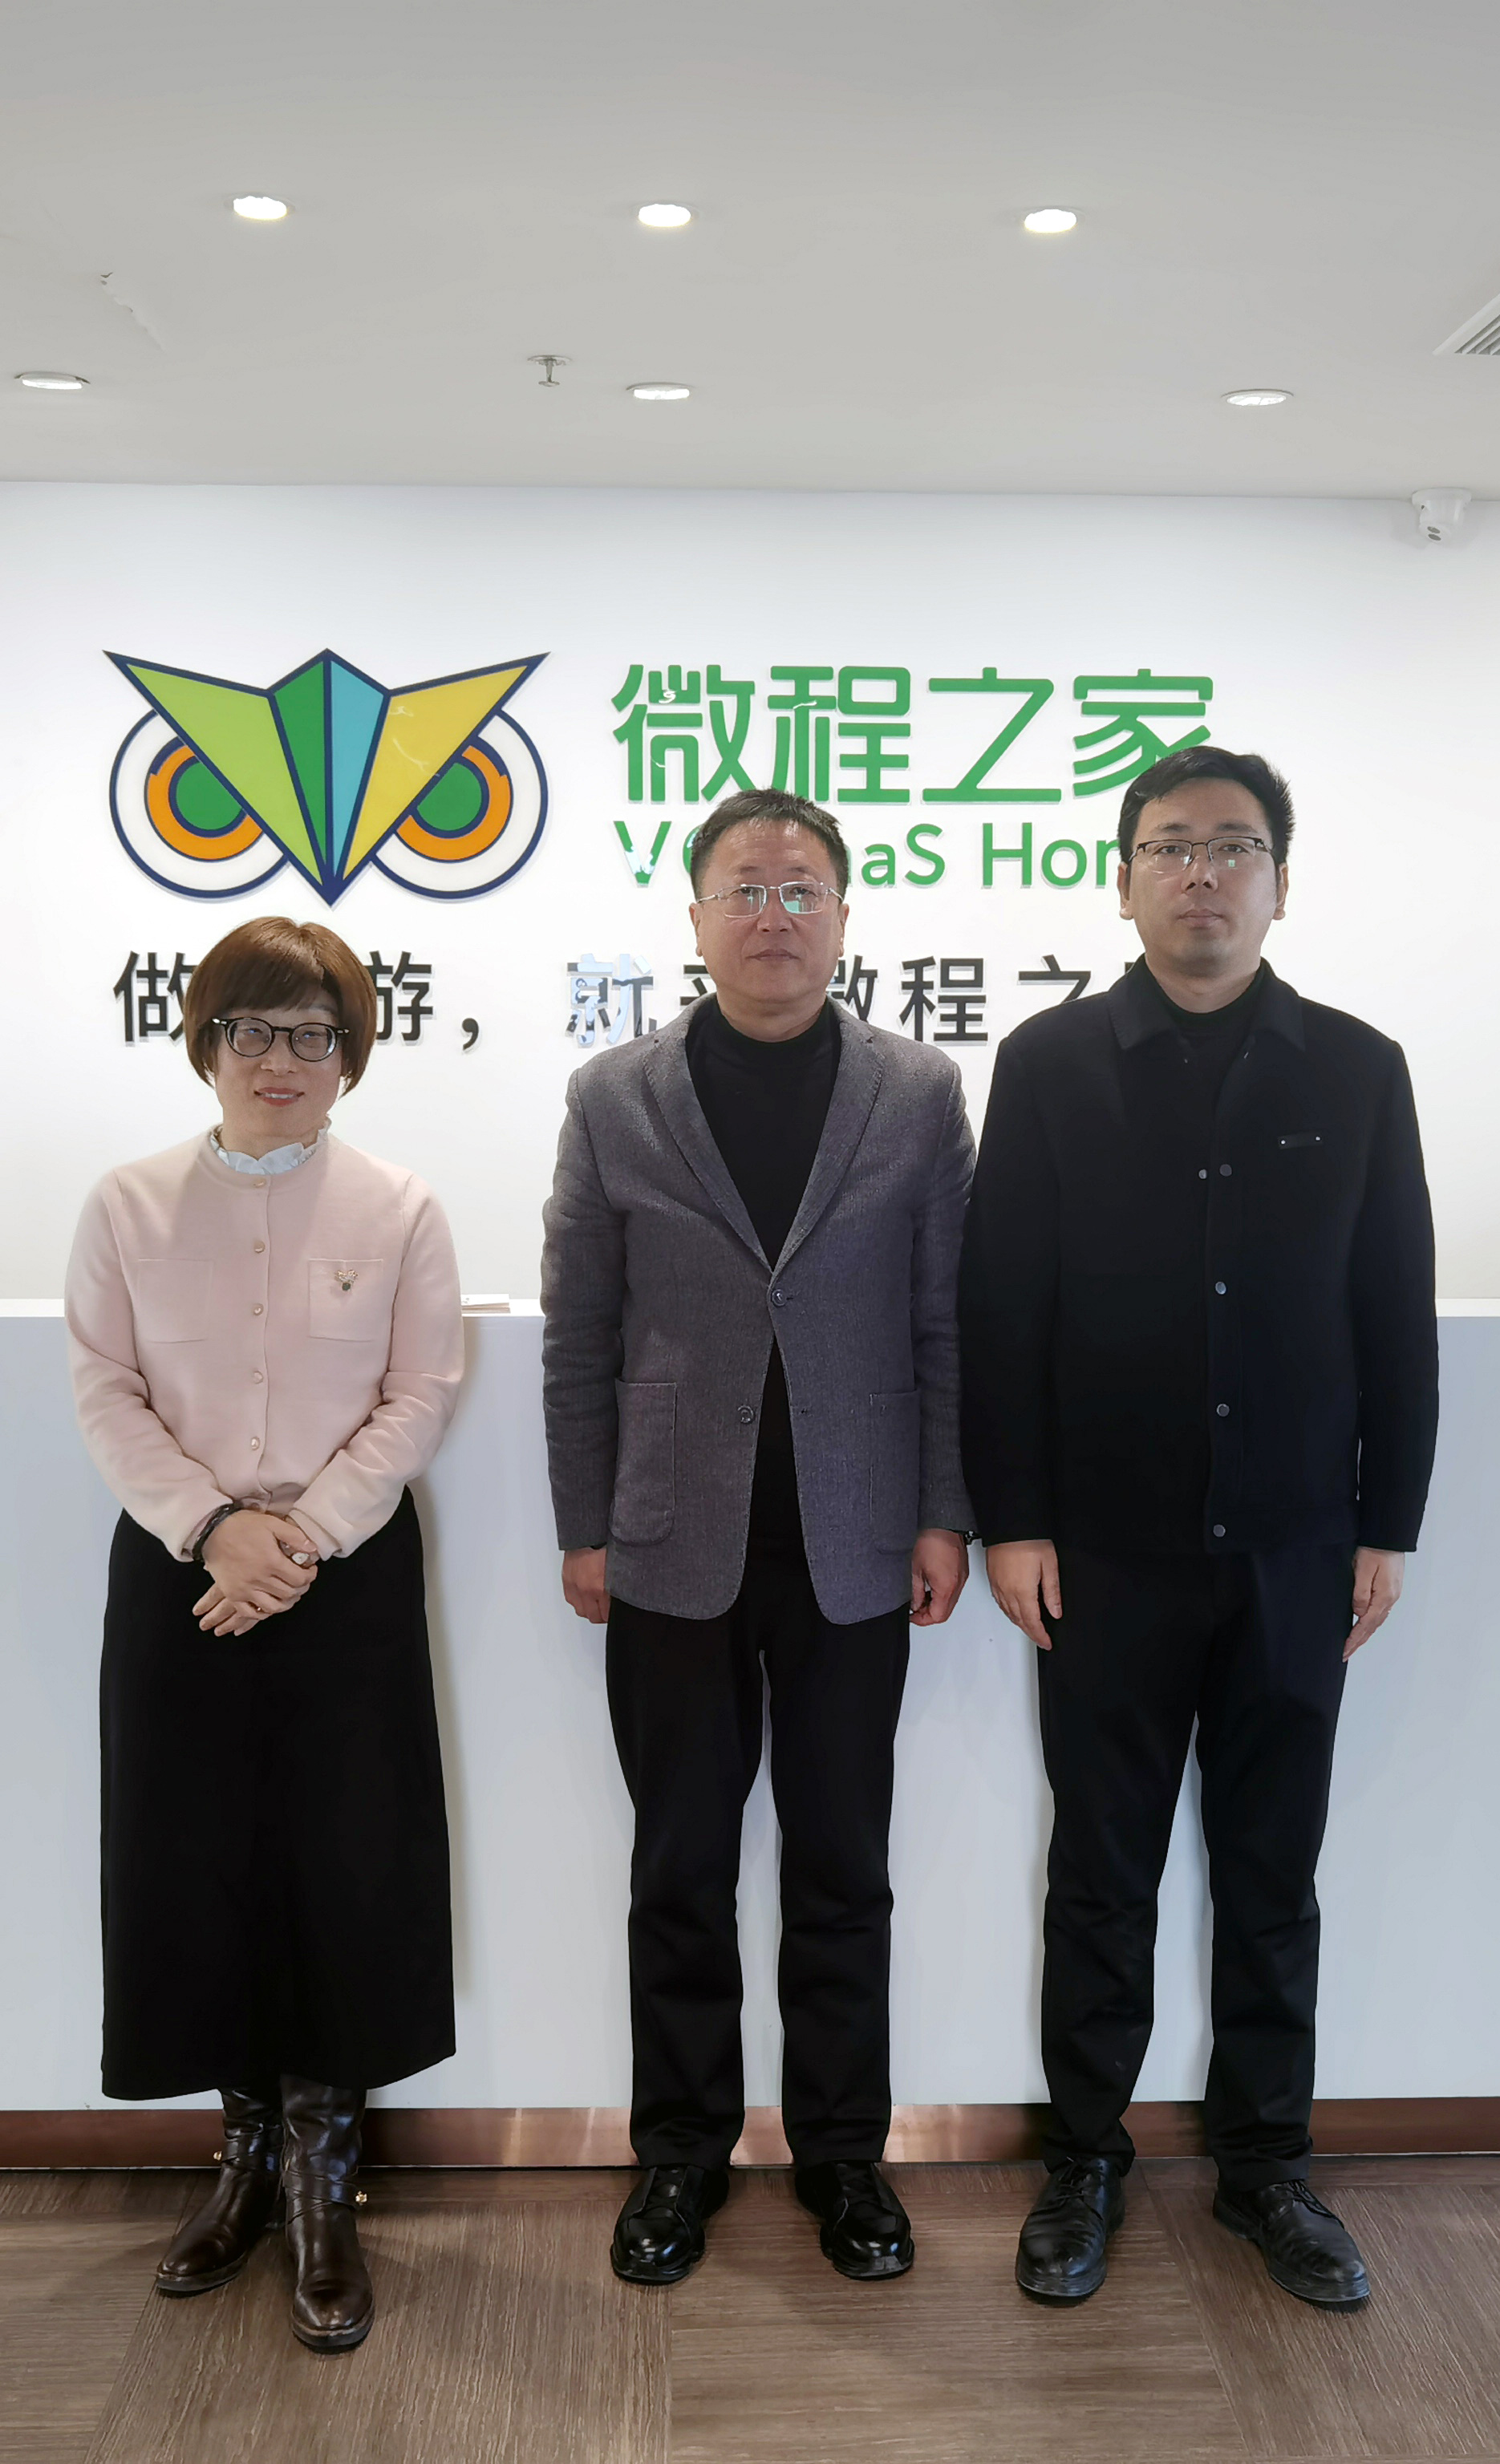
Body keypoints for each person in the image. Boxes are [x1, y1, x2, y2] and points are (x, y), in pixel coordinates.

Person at [959, 745, 1438, 2312]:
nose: (1201, 875)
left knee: (1270, 1872)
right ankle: (1084, 2160)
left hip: (1297, 1550)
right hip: (1102, 1553)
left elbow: (1395, 1312)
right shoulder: (1047, 1064)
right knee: (1099, 1875)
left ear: (1279, 883)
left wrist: (1387, 1520)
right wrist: (1012, 1518)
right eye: (1170, 847)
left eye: (1233, 848)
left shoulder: (1356, 1070)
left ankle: (1264, 2167)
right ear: (1123, 881)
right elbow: (1001, 1307)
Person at [542, 786, 975, 2288]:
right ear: (697, 917)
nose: (774, 914)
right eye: (746, 887)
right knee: (679, 1865)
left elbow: (947, 1323)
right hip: (669, 1539)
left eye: (802, 889)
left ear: (844, 915)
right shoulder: (616, 1095)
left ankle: (845, 2155)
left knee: (844, 1863)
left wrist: (944, 1509)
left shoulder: (917, 1093)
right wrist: (583, 1523)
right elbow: (580, 1333)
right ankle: (680, 2153)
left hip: (856, 1542)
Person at [65, 914, 464, 2354]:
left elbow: (421, 1393)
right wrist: (211, 1527)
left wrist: (299, 1539)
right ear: (206, 1042)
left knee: (346, 1862)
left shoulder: (401, 1208)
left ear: (350, 1055)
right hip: (183, 1576)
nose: (279, 1059)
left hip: (342, 1575)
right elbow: (104, 1386)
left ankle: (323, 2174)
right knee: (194, 1861)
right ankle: (239, 2156)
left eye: (312, 1034)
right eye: (252, 1028)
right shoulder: (127, 1205)